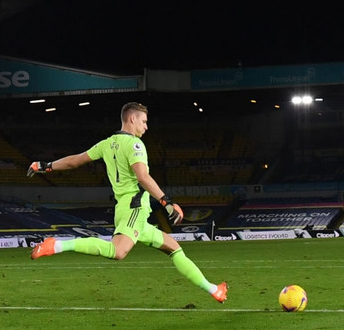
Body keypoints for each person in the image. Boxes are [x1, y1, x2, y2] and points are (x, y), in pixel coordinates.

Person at [26, 102, 227, 303]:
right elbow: (142, 176)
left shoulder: (106, 143)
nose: (146, 127)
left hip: (127, 210)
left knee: (174, 248)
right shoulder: (135, 145)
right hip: (135, 208)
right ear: (132, 119)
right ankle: (58, 245)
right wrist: (167, 202)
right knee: (118, 251)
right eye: (144, 121)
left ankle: (213, 289)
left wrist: (46, 166)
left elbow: (75, 160)